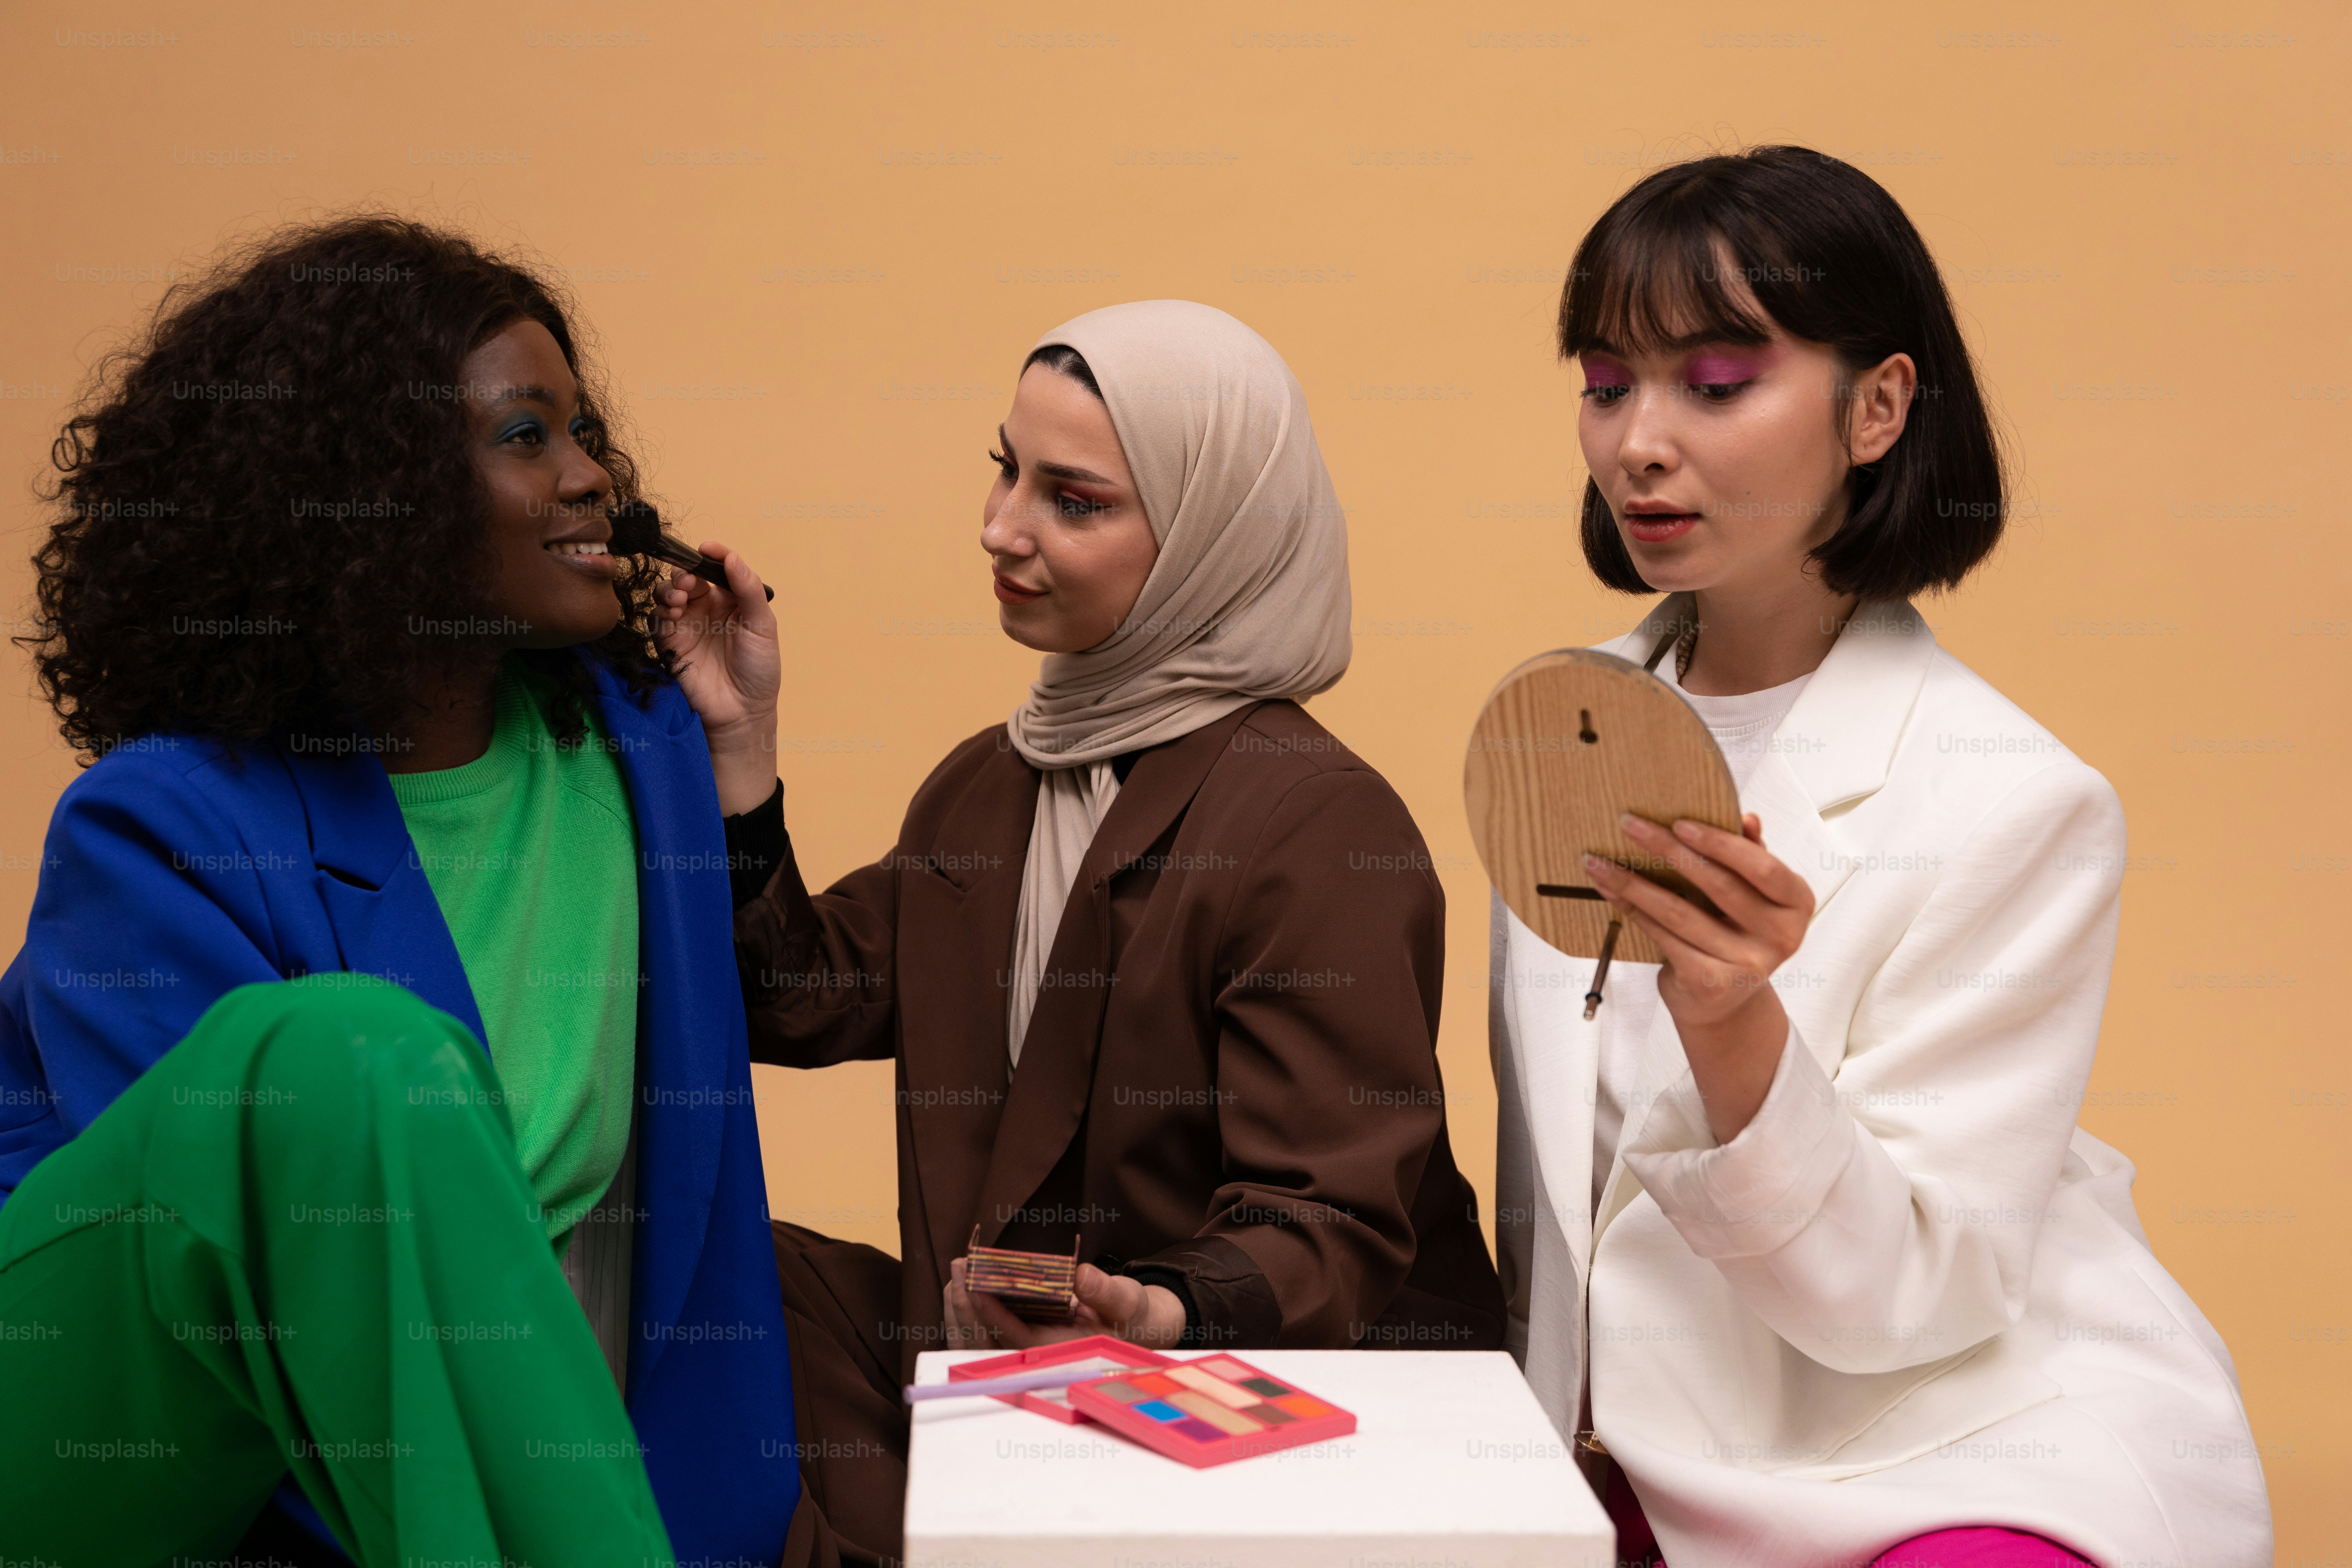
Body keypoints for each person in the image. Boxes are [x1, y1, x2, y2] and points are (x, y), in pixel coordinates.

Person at [1488, 148, 2272, 1567]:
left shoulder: (2020, 802)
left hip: (1954, 1440)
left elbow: (1913, 1298)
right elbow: (1553, 1198)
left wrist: (1737, 1032)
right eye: (1607, 385)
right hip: (1646, 1448)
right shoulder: (1562, 732)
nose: (1638, 443)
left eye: (1717, 385)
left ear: (1879, 406)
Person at [0, 216, 808, 1566]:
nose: (591, 477)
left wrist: (745, 762)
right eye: (524, 438)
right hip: (140, 1423)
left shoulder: (642, 742)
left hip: (503, 1462)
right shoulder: (161, 827)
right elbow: (245, 1295)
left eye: (582, 429)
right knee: (362, 1060)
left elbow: (729, 1075)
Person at [692, 300, 1504, 1563]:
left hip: (1259, 1395)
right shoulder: (992, 782)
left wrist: (1161, 1310)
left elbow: (1329, 1228)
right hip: (1019, 1375)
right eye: (1006, 470)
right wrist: (741, 751)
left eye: (1073, 501)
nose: (1000, 528)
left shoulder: (1315, 823)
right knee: (719, 1277)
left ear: (1209, 544)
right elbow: (798, 994)